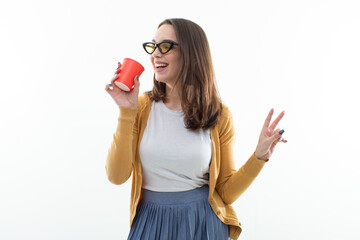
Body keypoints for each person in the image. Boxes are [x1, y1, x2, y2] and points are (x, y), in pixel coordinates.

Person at [104, 18, 286, 240]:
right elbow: (116, 176)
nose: (155, 55)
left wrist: (259, 157)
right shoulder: (140, 108)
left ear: (191, 53)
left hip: (202, 224)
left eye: (165, 46)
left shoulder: (219, 115)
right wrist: (126, 111)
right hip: (150, 221)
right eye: (153, 46)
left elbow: (225, 193)